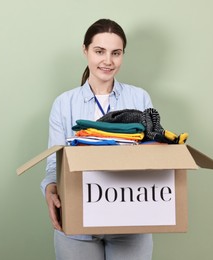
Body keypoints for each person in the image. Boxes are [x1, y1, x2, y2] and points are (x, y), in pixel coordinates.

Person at [41, 19, 154, 260]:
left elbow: (150, 154)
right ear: (85, 51)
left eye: (116, 53)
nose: (108, 61)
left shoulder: (139, 98)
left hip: (130, 218)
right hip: (77, 216)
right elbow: (54, 163)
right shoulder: (64, 103)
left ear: (123, 54)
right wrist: (50, 190)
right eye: (99, 51)